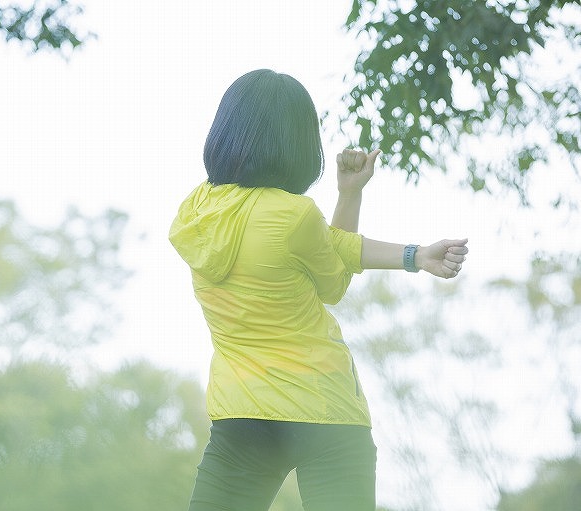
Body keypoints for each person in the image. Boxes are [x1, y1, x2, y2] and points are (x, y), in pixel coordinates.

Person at [168, 69, 468, 511]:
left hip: (241, 408)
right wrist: (406, 247)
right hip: (326, 410)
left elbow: (331, 248)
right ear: (297, 142)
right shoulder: (296, 215)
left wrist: (415, 253)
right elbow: (333, 283)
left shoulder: (195, 213)